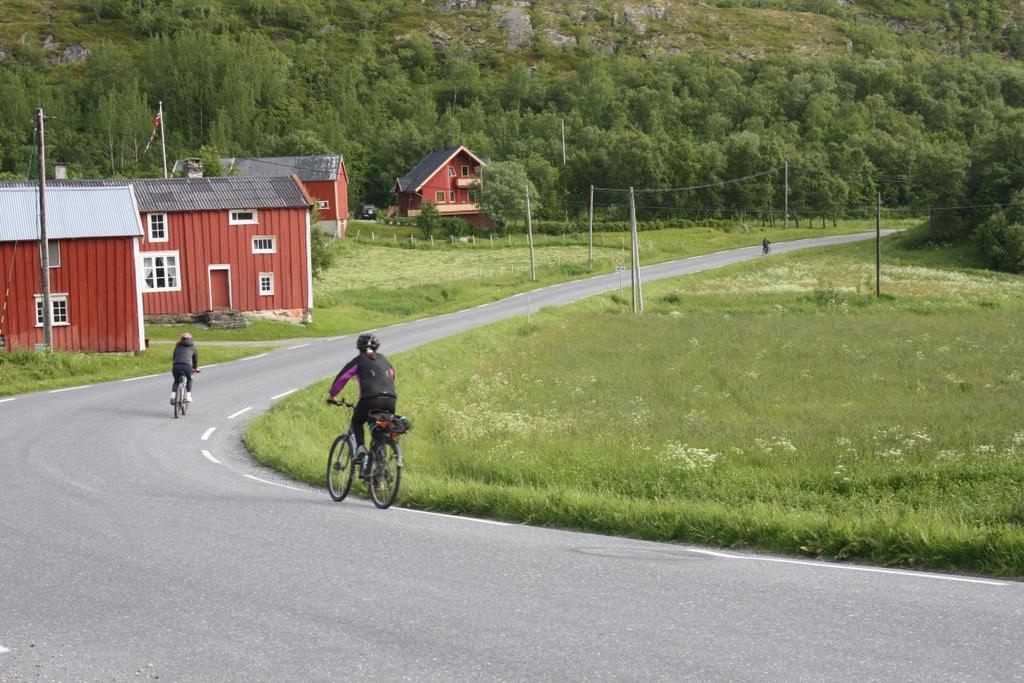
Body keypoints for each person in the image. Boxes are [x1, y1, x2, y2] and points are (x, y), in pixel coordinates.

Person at [326, 333, 397, 474]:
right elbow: (392, 376)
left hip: (370, 399)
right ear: (377, 347)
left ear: (359, 347)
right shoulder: (384, 360)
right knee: (379, 433)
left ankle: (360, 448)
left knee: (357, 422)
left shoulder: (358, 360)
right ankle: (378, 477)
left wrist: (332, 396)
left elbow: (342, 378)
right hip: (390, 400)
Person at [171, 332, 199, 404]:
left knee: (176, 381)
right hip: (187, 366)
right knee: (190, 379)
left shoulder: (177, 346)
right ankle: (188, 396)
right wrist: (195, 368)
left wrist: (175, 364)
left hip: (176, 366)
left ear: (181, 339)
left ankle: (173, 396)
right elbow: (195, 360)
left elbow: (174, 357)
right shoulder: (193, 347)